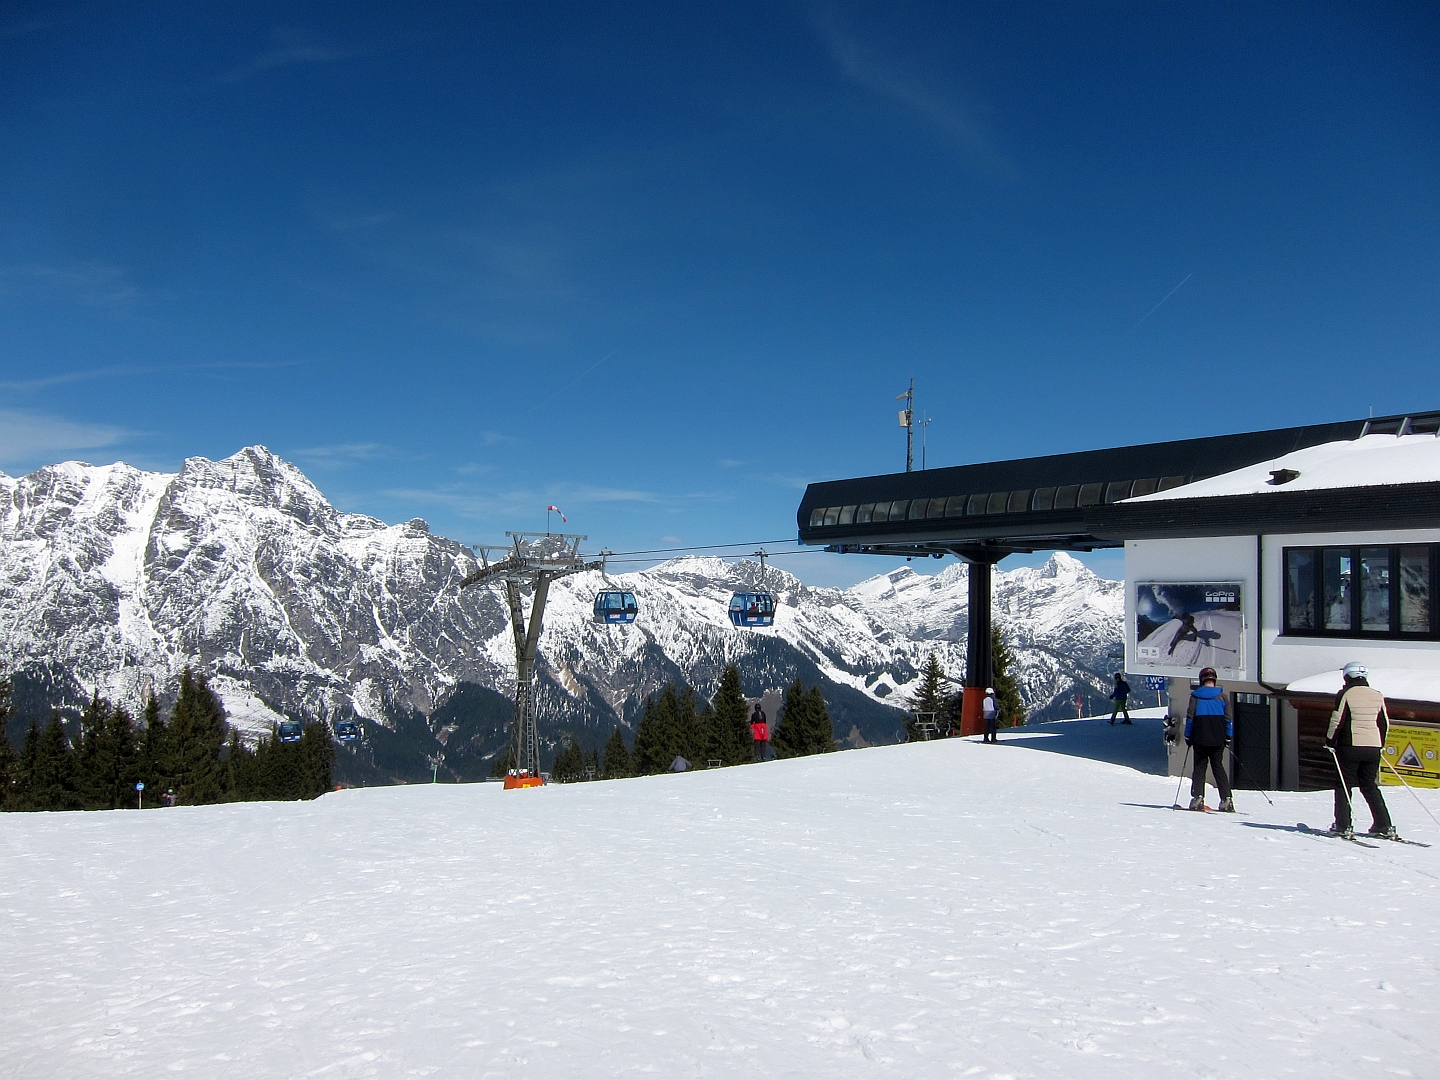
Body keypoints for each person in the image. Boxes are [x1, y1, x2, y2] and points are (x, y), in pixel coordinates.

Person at [1325, 661, 1394, 840]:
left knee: (1344, 785)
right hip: (1373, 747)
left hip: (1350, 746)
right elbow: (1384, 722)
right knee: (1369, 786)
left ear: (1347, 676)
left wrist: (1330, 742)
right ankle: (1384, 825)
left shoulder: (1345, 694)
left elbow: (1337, 720)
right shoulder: (1377, 695)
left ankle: (1343, 824)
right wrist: (1380, 745)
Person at [1184, 666, 1234, 812]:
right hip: (1219, 738)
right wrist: (1228, 736)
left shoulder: (1196, 696)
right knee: (1218, 767)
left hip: (1200, 737)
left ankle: (1198, 797)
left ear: (1201, 680)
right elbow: (1228, 719)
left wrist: (1188, 735)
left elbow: (1190, 718)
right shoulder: (1223, 697)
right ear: (1214, 680)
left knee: (1200, 767)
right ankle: (1227, 799)